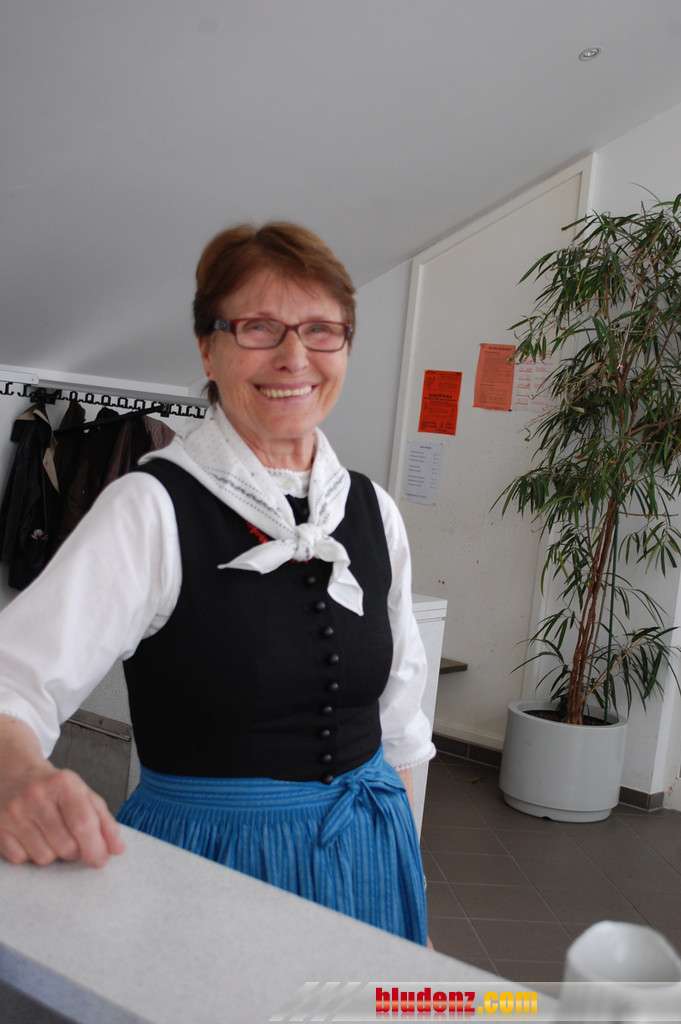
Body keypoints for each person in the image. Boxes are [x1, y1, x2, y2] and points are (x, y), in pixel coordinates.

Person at [0, 222, 434, 944]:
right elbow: (14, 683)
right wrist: (18, 775)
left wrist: (407, 884)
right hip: (212, 868)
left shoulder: (372, 510)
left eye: (321, 330)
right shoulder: (151, 506)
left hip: (370, 856)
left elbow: (400, 724)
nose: (294, 356)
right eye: (259, 327)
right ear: (208, 347)